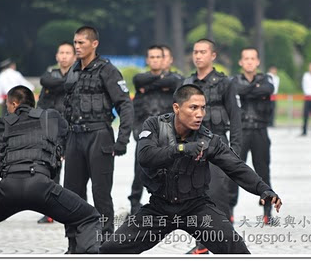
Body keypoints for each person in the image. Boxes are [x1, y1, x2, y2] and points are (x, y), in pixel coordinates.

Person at [99, 84, 282, 254]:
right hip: (159, 208)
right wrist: (182, 149)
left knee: (237, 249)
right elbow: (145, 156)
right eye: (193, 107)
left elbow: (236, 167)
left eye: (203, 108)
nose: (200, 114)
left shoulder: (208, 139)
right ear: (177, 108)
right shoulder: (154, 126)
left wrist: (263, 189)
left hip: (196, 208)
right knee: (110, 249)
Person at [0, 85, 101, 254]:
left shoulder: (2, 124)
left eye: (8, 106)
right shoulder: (51, 117)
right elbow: (65, 131)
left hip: (8, 188)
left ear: (14, 105)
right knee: (89, 217)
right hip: (41, 187)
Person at [63, 26, 134, 252]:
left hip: (99, 136)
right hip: (75, 137)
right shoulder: (73, 72)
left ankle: (106, 243)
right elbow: (65, 109)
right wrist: (61, 143)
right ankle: (74, 242)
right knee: (71, 194)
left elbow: (125, 105)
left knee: (101, 193)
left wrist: (122, 140)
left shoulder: (107, 70)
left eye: (81, 43)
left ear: (94, 44)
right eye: (75, 42)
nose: (77, 47)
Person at [183, 39, 242, 254]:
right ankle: (202, 244)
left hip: (217, 146)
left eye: (202, 52)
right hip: (192, 148)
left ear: (213, 55)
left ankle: (229, 245)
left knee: (218, 195)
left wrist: (235, 151)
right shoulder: (187, 82)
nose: (198, 56)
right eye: (195, 52)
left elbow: (235, 118)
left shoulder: (225, 83)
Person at [129, 45, 181, 215]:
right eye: (152, 57)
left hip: (167, 131)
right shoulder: (140, 79)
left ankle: (169, 203)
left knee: (170, 169)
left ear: (164, 58)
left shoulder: (174, 80)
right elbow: (138, 81)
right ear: (147, 60)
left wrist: (151, 84)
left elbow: (174, 82)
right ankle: (135, 204)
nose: (155, 60)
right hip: (145, 131)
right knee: (139, 169)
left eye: (159, 57)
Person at [232, 48, 275, 224]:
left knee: (263, 171)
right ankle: (229, 209)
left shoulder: (266, 79)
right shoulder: (234, 80)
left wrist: (247, 90)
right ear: (240, 62)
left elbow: (267, 90)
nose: (249, 62)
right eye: (246, 59)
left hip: (260, 131)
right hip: (240, 132)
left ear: (257, 62)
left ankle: (267, 210)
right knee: (233, 171)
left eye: (252, 59)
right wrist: (253, 89)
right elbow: (237, 90)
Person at [36, 41, 76, 224]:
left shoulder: (79, 74)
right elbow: (41, 103)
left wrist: (57, 85)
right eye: (62, 52)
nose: (65, 56)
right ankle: (51, 211)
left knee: (76, 173)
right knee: (51, 171)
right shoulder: (50, 74)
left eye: (69, 53)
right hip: (52, 130)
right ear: (57, 56)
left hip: (73, 129)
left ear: (74, 56)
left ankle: (74, 208)